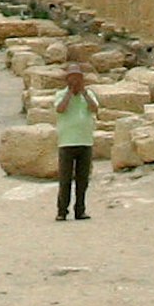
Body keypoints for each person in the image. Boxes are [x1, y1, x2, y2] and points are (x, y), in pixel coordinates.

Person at [52, 66, 97, 223]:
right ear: (67, 80)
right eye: (72, 78)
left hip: (85, 142)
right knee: (65, 180)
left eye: (78, 78)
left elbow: (94, 109)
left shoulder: (89, 95)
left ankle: (80, 210)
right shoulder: (60, 95)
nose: (76, 81)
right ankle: (62, 211)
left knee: (82, 180)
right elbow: (60, 109)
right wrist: (70, 93)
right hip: (67, 143)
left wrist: (84, 93)